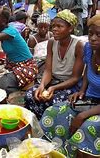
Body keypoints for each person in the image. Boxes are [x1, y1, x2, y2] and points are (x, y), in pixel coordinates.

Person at [40, 14, 100, 157]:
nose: (93, 38)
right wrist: (82, 90)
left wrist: (83, 116)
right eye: (90, 33)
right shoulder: (89, 49)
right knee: (53, 113)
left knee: (87, 127)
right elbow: (87, 72)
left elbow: (75, 77)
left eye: (99, 35)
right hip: (90, 100)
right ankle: (60, 151)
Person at [24, 9, 84, 119]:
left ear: (70, 28)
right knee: (30, 95)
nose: (54, 29)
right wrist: (42, 85)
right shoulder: (51, 42)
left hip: (69, 85)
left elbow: (75, 78)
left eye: (59, 26)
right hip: (53, 81)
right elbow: (48, 70)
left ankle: (47, 125)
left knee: (53, 103)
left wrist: (53, 88)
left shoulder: (78, 46)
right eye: (53, 26)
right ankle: (37, 122)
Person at [0, 5, 38, 94]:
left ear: (4, 21)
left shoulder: (10, 32)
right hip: (11, 64)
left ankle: (18, 96)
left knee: (1, 85)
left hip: (26, 66)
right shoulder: (0, 29)